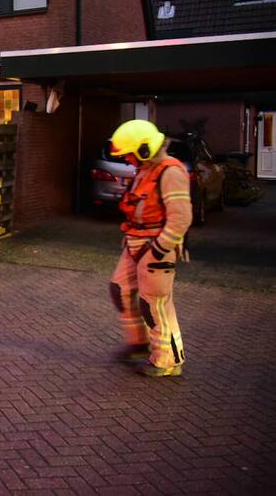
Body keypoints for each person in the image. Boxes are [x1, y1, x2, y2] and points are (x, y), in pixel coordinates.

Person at [108, 119, 192, 377]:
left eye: (131, 156)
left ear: (145, 149)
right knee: (119, 289)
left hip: (156, 247)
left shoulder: (171, 172)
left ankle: (168, 361)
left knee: (154, 304)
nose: (129, 162)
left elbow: (181, 217)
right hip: (135, 242)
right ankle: (139, 343)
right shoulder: (145, 169)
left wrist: (158, 249)